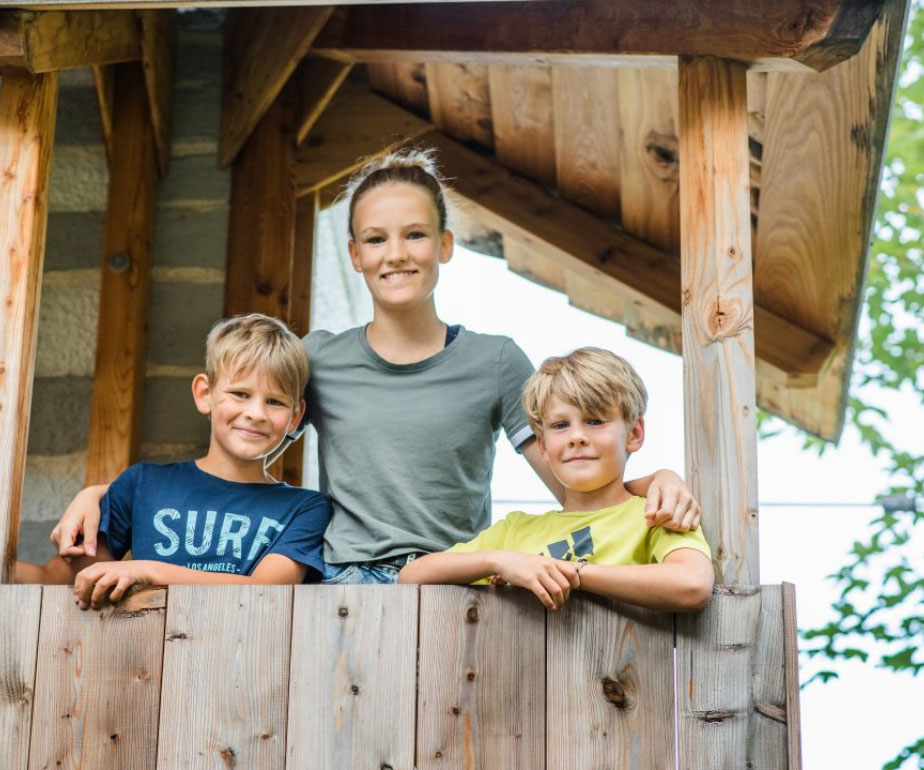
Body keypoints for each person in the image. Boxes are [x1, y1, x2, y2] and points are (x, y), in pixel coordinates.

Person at [48, 148, 700, 586]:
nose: (397, 254)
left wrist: (657, 480)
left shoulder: (496, 362)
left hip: (453, 578)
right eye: (376, 239)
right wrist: (101, 493)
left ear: (444, 245)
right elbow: (244, 449)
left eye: (415, 235)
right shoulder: (318, 359)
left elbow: (573, 483)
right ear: (356, 254)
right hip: (341, 582)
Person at [17, 314, 331, 609]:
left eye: (274, 402)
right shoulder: (143, 485)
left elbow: (268, 588)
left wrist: (151, 572)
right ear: (205, 394)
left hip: (246, 660)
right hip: (143, 664)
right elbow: (58, 579)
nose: (256, 413)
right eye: (240, 394)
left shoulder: (305, 509)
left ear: (295, 416)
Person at [399, 348, 714, 613]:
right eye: (561, 425)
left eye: (594, 421)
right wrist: (500, 561)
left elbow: (692, 585)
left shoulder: (657, 513)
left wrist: (572, 572)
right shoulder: (515, 531)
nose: (577, 437)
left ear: (634, 434)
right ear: (544, 445)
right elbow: (411, 576)